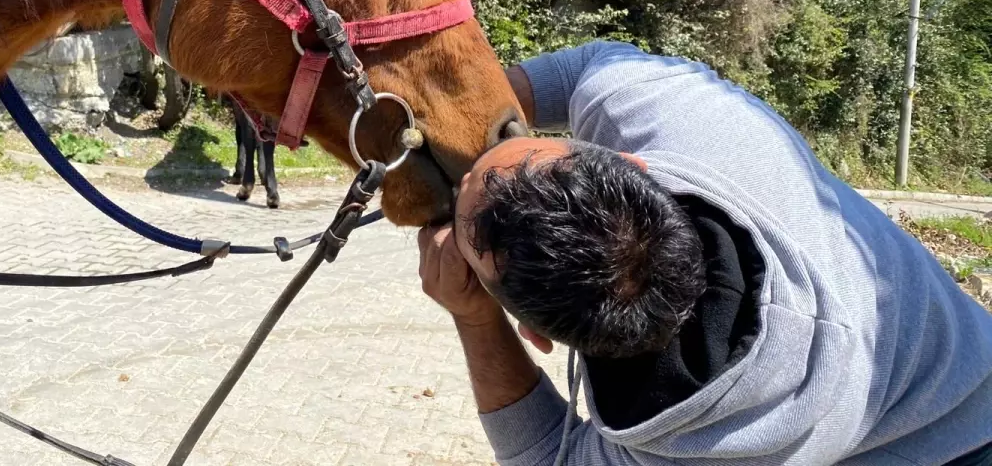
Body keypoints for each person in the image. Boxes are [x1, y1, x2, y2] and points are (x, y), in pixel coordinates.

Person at [418, 41, 992, 466]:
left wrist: (474, 321)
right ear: (636, 167)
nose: (470, 172)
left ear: (535, 335)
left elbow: (548, 459)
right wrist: (474, 114)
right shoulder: (682, 119)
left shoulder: (691, 449)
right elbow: (592, 65)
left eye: (507, 146)